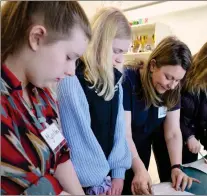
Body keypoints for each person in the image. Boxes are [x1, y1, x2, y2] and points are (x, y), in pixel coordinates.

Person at [1, 1, 91, 195]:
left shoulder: (43, 95)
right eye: (69, 57)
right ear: (36, 38)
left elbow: (60, 157)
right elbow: (33, 190)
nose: (71, 71)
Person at [57, 7, 132, 195]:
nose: (120, 59)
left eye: (123, 52)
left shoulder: (116, 82)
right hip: (82, 183)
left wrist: (118, 173)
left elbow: (119, 131)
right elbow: (78, 142)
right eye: (115, 51)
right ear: (100, 43)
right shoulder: (72, 80)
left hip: (106, 180)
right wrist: (102, 180)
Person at [122, 36, 200, 195]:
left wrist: (176, 167)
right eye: (168, 77)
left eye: (178, 80)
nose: (171, 85)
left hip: (142, 150)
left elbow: (172, 132)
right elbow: (124, 134)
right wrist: (140, 169)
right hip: (121, 151)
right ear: (152, 65)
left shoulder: (173, 89)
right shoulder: (128, 81)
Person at [153, 37, 207, 182]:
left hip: (191, 144)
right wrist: (188, 136)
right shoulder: (181, 74)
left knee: (189, 178)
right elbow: (171, 114)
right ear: (206, 63)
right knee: (171, 180)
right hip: (168, 138)